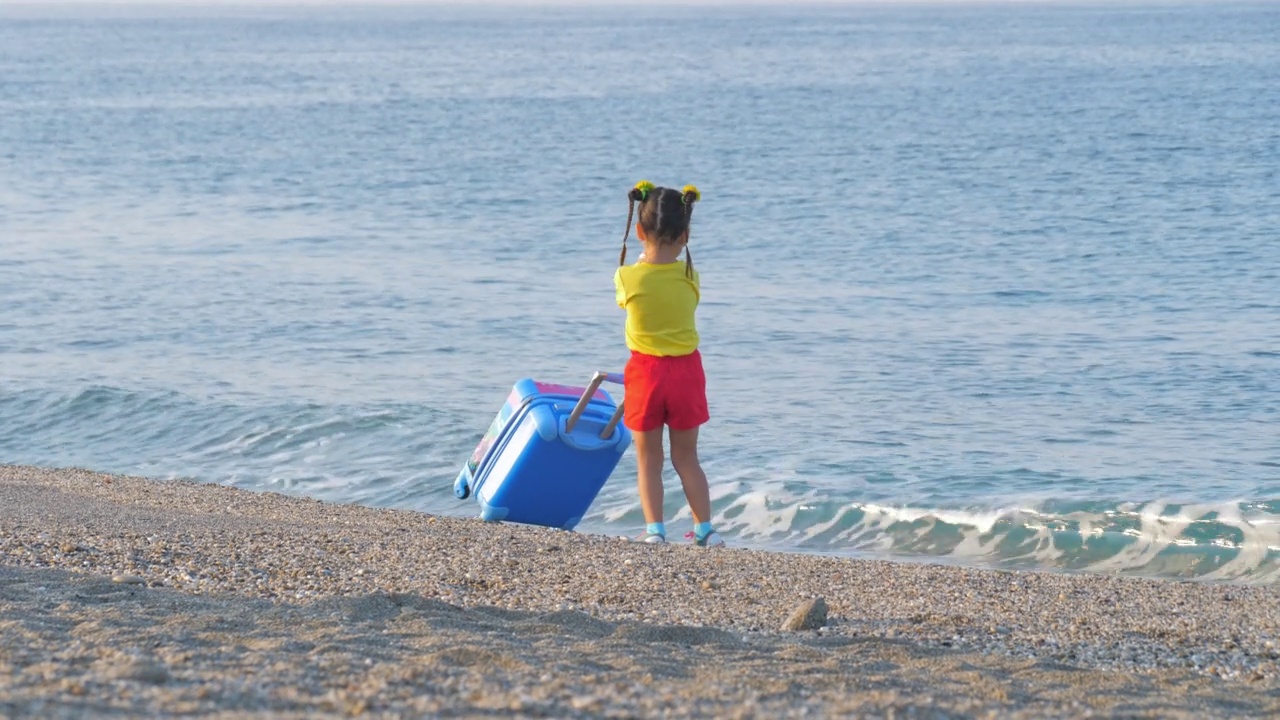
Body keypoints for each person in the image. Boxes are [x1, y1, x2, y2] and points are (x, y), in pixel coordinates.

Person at [613, 180, 725, 548]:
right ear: (686, 234)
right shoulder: (691, 276)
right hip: (687, 373)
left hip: (646, 372)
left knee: (649, 459)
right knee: (687, 457)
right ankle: (705, 529)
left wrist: (644, 259)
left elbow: (625, 301)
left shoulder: (628, 277)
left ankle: (655, 530)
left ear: (639, 229)